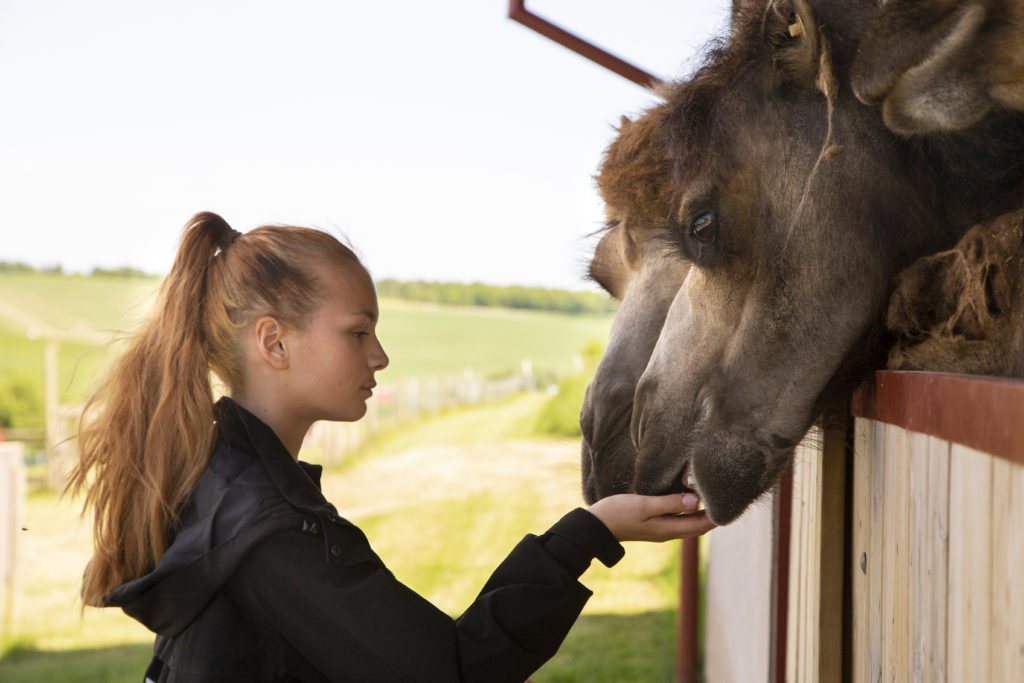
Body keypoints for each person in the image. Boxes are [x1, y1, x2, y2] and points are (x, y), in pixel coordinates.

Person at [70, 211, 716, 682]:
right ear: (274, 343)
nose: (380, 355)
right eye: (357, 332)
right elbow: (454, 671)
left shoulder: (223, 486)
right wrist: (589, 533)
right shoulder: (266, 527)